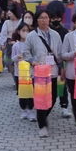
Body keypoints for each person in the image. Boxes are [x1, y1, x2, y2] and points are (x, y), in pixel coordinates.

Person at [23, 9, 63, 138]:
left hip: (53, 71)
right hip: (39, 73)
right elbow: (26, 53)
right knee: (40, 99)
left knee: (53, 97)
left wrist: (62, 66)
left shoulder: (56, 34)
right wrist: (33, 62)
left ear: (49, 19)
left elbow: (60, 53)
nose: (44, 20)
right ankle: (42, 125)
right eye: (41, 18)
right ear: (37, 20)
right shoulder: (31, 36)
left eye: (46, 17)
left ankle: (43, 116)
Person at [11, 22, 35, 121]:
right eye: (23, 30)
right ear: (19, 32)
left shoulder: (32, 44)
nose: (25, 33)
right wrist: (17, 57)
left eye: (27, 30)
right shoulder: (16, 45)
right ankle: (24, 109)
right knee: (22, 93)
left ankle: (31, 110)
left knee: (30, 92)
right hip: (19, 74)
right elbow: (12, 58)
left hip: (31, 73)